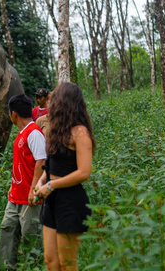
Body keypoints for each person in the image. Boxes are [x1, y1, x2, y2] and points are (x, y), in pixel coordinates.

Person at [35, 82, 96, 271]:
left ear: (66, 102)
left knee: (67, 264)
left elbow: (84, 173)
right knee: (51, 261)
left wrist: (52, 186)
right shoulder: (56, 131)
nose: (50, 103)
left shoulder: (80, 133)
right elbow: (53, 164)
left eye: (55, 99)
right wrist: (42, 179)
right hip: (51, 198)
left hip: (70, 200)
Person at [0, 94, 47, 270]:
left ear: (13, 114)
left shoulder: (34, 133)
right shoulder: (21, 133)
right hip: (15, 196)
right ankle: (6, 267)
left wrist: (34, 190)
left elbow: (41, 162)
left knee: (30, 236)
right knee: (7, 229)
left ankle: (33, 267)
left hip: (30, 197)